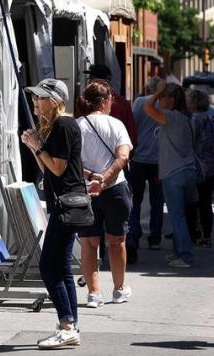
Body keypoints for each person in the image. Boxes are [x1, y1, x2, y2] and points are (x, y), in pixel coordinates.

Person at [20, 78, 85, 349]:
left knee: (48, 266)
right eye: (34, 97)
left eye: (41, 97)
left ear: (56, 101)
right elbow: (48, 168)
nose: (35, 101)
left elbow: (57, 168)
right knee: (61, 266)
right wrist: (35, 147)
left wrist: (37, 146)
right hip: (68, 201)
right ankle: (71, 324)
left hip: (66, 203)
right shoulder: (60, 125)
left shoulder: (62, 125)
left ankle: (67, 324)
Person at [75, 81, 133, 307]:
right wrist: (106, 177)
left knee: (89, 242)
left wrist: (92, 177)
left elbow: (71, 163)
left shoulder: (77, 126)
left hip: (86, 190)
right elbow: (123, 157)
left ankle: (93, 293)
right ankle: (119, 290)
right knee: (117, 240)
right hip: (116, 188)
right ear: (106, 100)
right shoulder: (116, 125)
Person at [144, 82, 196, 268]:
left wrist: (156, 91)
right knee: (181, 216)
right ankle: (179, 252)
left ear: (172, 99)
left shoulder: (171, 117)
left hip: (174, 173)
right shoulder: (185, 117)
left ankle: (186, 256)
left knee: (177, 216)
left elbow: (147, 107)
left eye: (164, 97)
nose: (160, 100)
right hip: (187, 171)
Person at [128, 75, 166, 262]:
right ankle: (155, 238)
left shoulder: (140, 102)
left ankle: (134, 234)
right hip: (159, 160)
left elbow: (132, 125)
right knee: (157, 199)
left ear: (147, 87)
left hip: (139, 157)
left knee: (135, 199)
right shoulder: (164, 105)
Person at [186, 89, 214, 247]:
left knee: (192, 202)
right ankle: (207, 236)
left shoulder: (193, 120)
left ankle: (193, 234)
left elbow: (189, 142)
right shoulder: (212, 120)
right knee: (206, 202)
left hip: (197, 165)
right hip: (212, 165)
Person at [84, 64, 137, 148]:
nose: (89, 82)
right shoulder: (123, 103)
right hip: (117, 154)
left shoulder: (85, 101)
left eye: (91, 78)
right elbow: (132, 135)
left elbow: (132, 133)